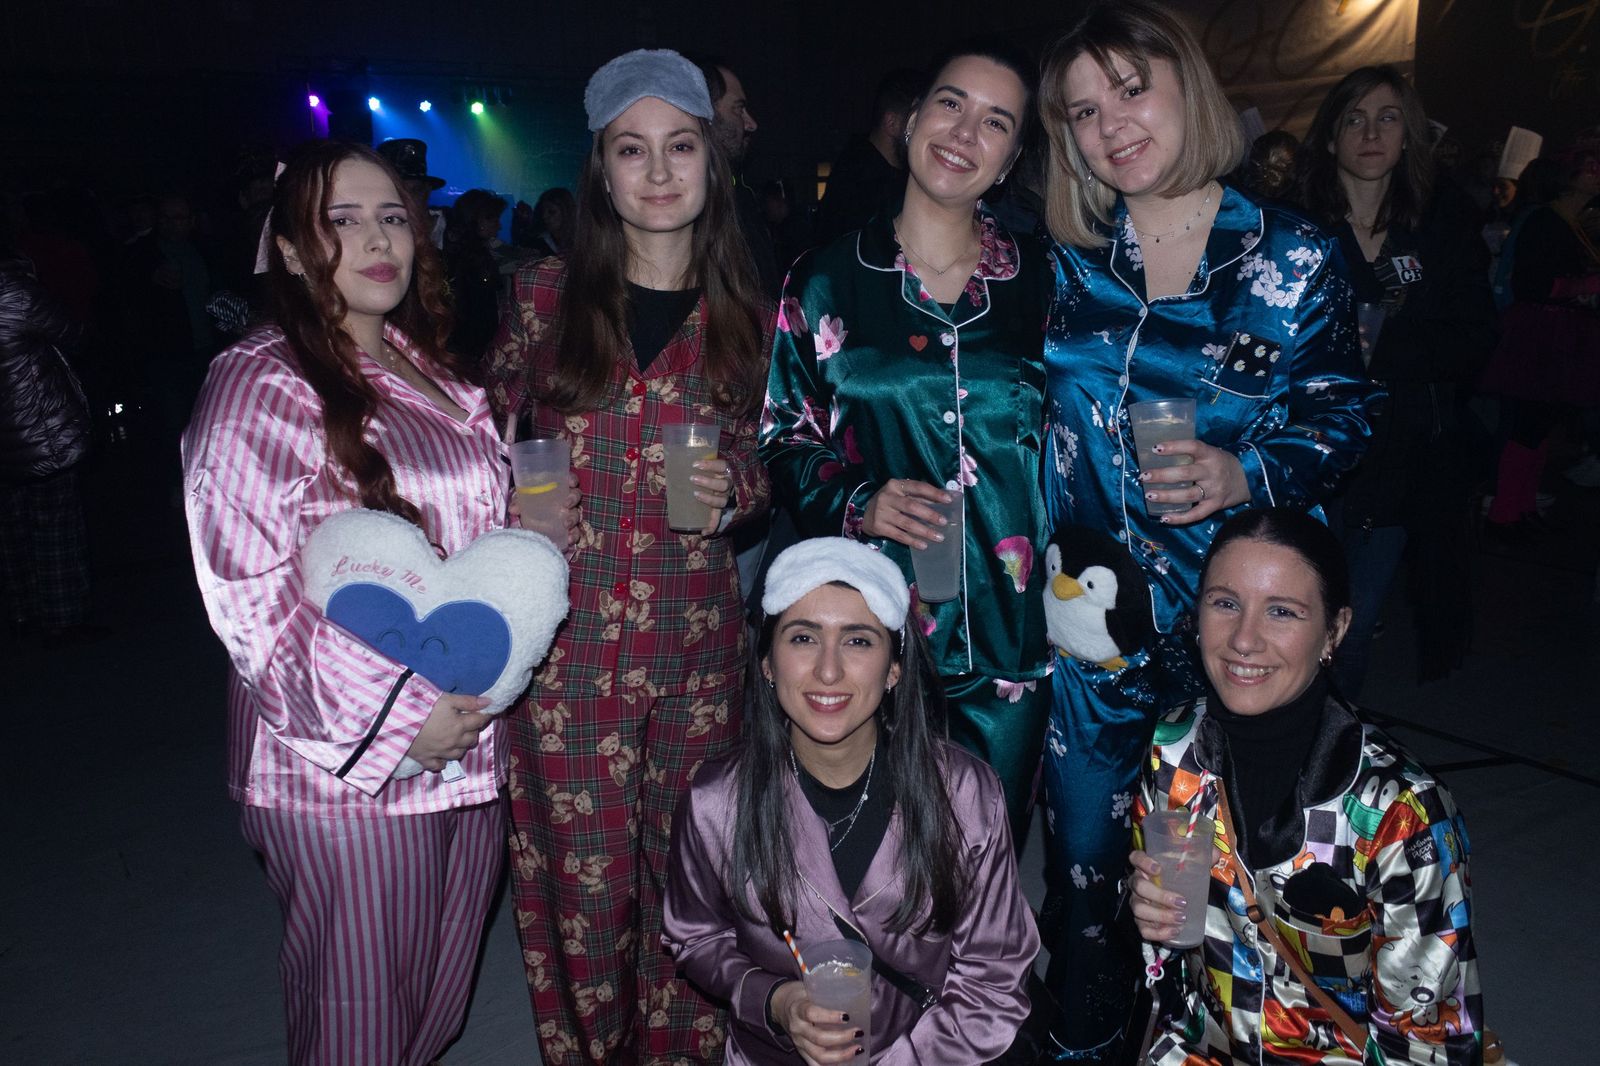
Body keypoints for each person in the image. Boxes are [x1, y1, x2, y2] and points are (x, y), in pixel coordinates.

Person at [1035, 4, 1380, 1059]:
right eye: (1084, 112)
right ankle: (1089, 1043)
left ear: (1187, 86)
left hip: (1241, 635)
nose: (1111, 125)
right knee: (1088, 874)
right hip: (1090, 633)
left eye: (1131, 90)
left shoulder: (1297, 254)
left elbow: (1351, 411)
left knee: (1242, 877)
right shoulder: (1066, 261)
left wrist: (1248, 469)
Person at [181, 141, 513, 1065]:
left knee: (433, 1013)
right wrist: (402, 720)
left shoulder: (429, 370)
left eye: (394, 218)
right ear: (288, 249)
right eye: (342, 220)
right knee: (360, 1027)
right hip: (341, 768)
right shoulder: (260, 379)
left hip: (469, 742)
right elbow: (251, 599)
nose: (378, 240)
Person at [483, 48, 772, 1065]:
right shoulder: (538, 299)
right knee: (583, 893)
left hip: (697, 653)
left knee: (692, 891)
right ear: (600, 171)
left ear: (711, 162)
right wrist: (515, 496)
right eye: (631, 150)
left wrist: (734, 490)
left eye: (680, 146)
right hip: (569, 663)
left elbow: (767, 460)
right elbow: (488, 442)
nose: (658, 173)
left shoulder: (751, 314)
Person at [761, 38, 1053, 849]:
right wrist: (861, 499)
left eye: (995, 121)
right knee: (871, 857)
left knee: (989, 856)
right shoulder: (826, 279)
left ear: (1012, 157)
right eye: (951, 103)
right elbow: (783, 437)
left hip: (1016, 630)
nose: (965, 131)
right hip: (873, 632)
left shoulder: (1047, 284)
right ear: (913, 117)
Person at [663, 537, 1039, 1064]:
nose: (829, 671)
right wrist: (774, 1001)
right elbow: (695, 938)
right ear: (768, 664)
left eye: (858, 641)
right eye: (803, 639)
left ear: (893, 669)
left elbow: (993, 982)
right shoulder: (715, 802)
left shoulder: (965, 795)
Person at [1128, 507, 1481, 1065]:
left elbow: (1427, 1041)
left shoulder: (1399, 812)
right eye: (1225, 603)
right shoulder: (1172, 751)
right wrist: (1143, 909)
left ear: (1335, 630)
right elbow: (1168, 966)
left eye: (1282, 612)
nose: (1244, 639)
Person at [1294, 66, 1496, 696]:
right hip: (1312, 455)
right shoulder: (1295, 227)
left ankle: (1330, 764)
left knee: (1353, 626)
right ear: (1330, 137)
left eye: (1387, 117)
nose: (1371, 132)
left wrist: (1390, 347)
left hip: (1404, 457)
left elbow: (1476, 337)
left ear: (1409, 133)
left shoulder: (1442, 228)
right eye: (1354, 118)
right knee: (1295, 619)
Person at [1479, 147, 1600, 540]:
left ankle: (1521, 503)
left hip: (1559, 332)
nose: (1596, 175)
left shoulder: (1572, 222)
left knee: (1540, 424)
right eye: (1590, 168)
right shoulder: (1545, 221)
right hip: (1541, 334)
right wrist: (1584, 286)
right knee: (1528, 423)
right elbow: (1531, 284)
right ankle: (1504, 510)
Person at [0, 245, 96, 644]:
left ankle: (22, 615)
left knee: (10, 532)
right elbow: (74, 332)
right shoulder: (14, 292)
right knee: (54, 527)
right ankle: (62, 619)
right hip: (38, 432)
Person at [691, 54, 782, 297]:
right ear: (704, 114)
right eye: (738, 109)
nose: (751, 124)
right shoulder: (686, 206)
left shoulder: (736, 193)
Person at [813, 68, 926, 245]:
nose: (923, 133)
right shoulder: (862, 188)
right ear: (892, 123)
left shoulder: (863, 170)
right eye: (915, 122)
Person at [443, 187, 509, 367]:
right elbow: (475, 309)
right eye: (492, 218)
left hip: (467, 346)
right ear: (474, 219)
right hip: (468, 348)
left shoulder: (471, 253)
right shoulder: (469, 259)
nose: (499, 225)